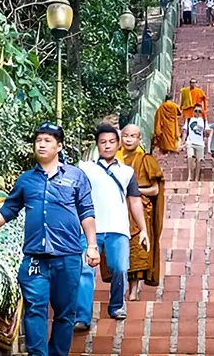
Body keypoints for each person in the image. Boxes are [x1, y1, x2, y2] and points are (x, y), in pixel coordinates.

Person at [0, 123, 100, 356]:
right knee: (35, 310)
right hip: (35, 259)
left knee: (65, 314)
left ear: (59, 146)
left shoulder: (76, 177)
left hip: (67, 257)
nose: (42, 144)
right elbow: (6, 212)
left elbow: (86, 212)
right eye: (38, 141)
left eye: (48, 140)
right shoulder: (26, 180)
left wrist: (92, 245)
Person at [72, 124, 148, 329]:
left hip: (118, 227)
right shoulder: (85, 169)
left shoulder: (127, 172)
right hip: (88, 229)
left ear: (119, 144)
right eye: (103, 142)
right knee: (85, 271)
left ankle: (116, 305)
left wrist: (143, 229)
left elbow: (134, 200)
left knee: (120, 268)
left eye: (111, 142)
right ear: (97, 145)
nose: (107, 146)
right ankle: (82, 317)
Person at [117, 124, 165, 302]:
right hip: (118, 209)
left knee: (137, 249)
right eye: (126, 136)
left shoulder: (145, 160)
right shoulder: (114, 158)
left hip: (140, 211)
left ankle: (134, 290)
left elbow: (155, 190)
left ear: (139, 139)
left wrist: (135, 191)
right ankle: (120, 287)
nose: (128, 139)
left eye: (133, 136)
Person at [183, 104, 210, 182]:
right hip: (190, 141)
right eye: (196, 111)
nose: (197, 113)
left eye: (199, 111)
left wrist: (205, 131)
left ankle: (196, 178)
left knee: (199, 160)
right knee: (190, 157)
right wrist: (183, 142)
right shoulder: (189, 120)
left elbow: (207, 133)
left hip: (200, 143)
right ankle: (189, 176)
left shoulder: (204, 121)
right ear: (193, 111)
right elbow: (185, 131)